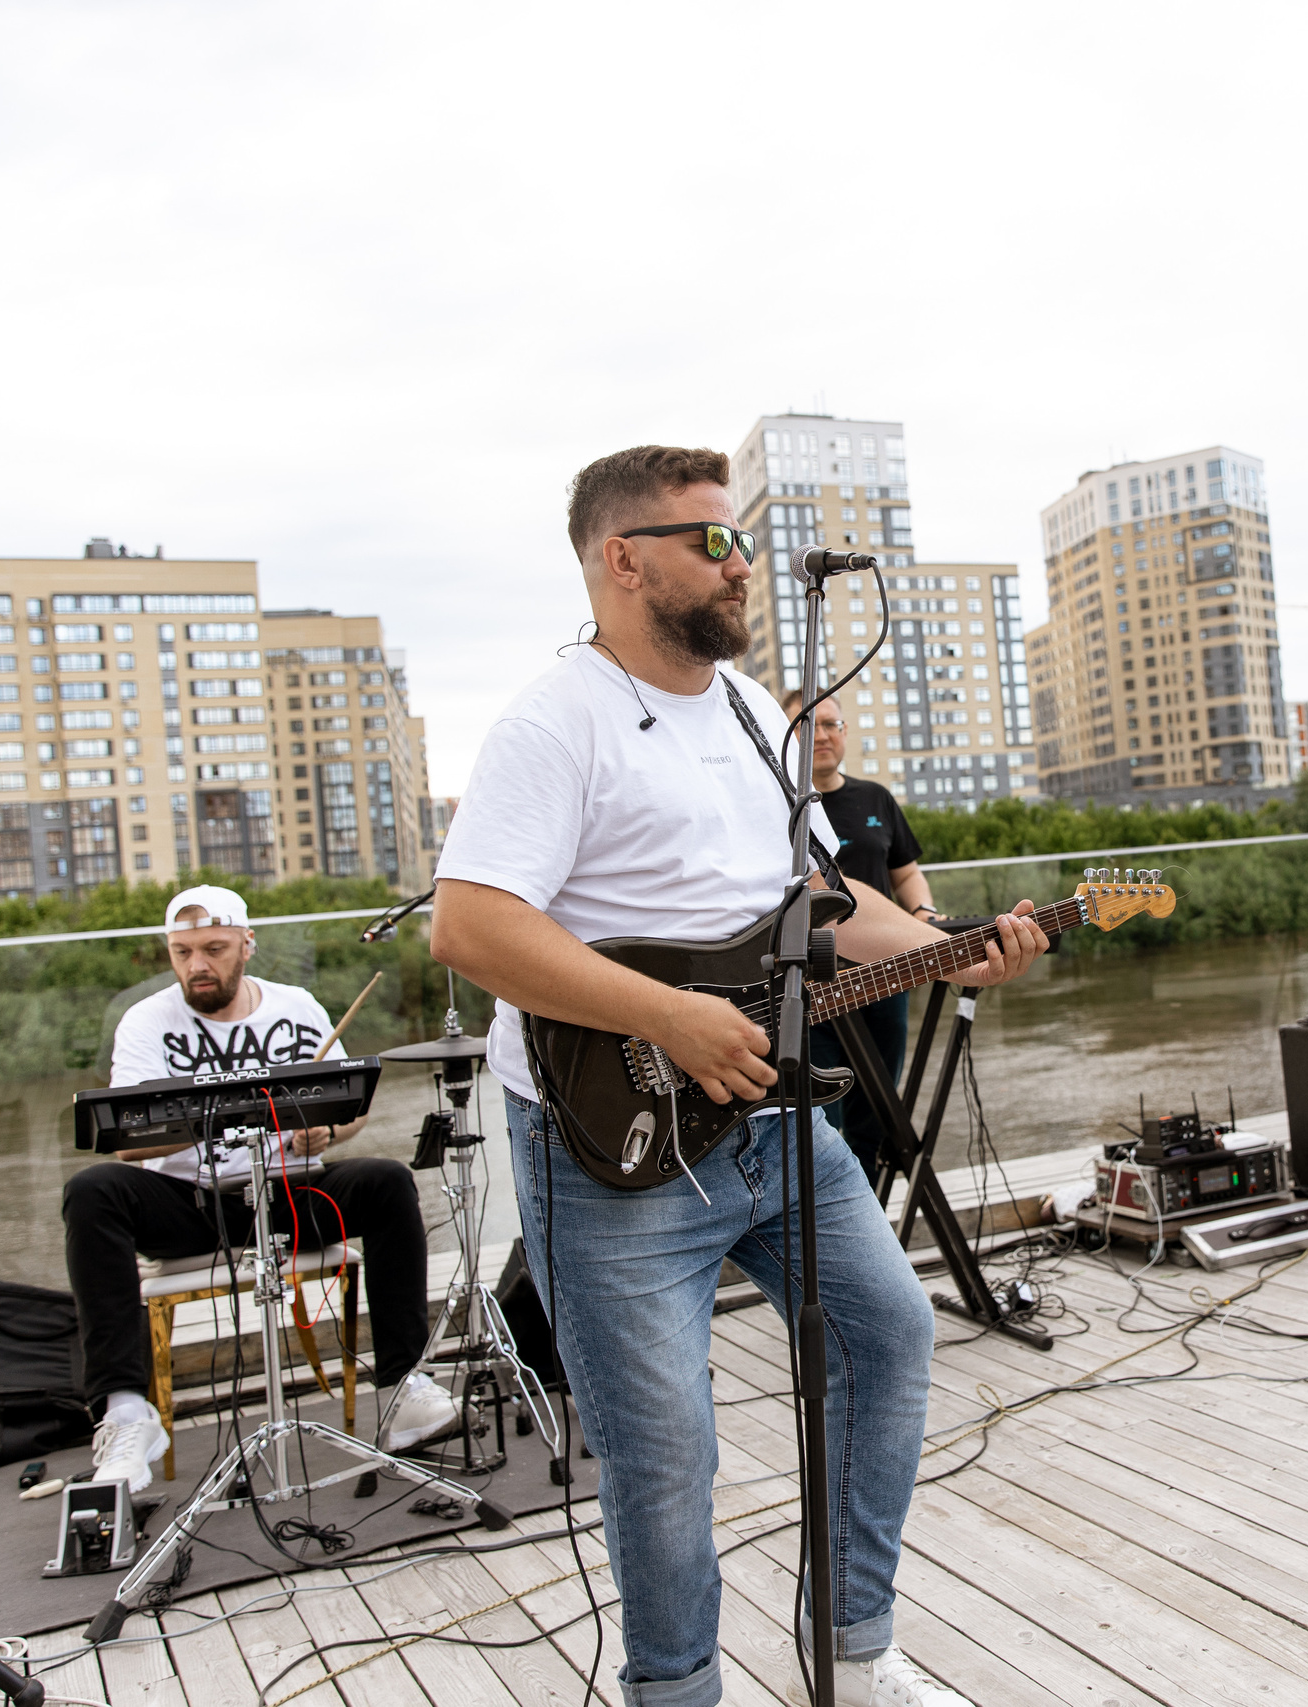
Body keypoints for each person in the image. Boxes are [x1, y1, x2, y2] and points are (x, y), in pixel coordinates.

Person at [429, 444, 1049, 1707]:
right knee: (665, 1453)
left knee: (889, 1339)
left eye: (744, 539)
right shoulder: (555, 721)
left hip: (771, 1114)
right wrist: (673, 1018)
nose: (743, 564)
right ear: (623, 559)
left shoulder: (756, 708)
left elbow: (818, 897)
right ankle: (677, 1693)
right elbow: (471, 927)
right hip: (607, 1145)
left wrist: (946, 946)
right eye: (712, 541)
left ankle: (855, 1654)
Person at [65, 885, 457, 1494]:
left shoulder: (296, 1006)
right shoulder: (146, 1021)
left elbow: (348, 1111)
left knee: (386, 1181)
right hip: (192, 1205)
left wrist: (325, 1130)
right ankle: (126, 1412)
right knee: (93, 1191)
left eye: (214, 949)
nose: (197, 965)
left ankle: (404, 1385)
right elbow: (128, 1146)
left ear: (247, 945)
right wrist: (223, 1112)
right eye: (182, 952)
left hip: (289, 1194)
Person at [783, 686, 939, 1180]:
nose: (821, 735)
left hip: (885, 974)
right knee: (820, 1120)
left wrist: (924, 913)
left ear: (845, 732)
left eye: (831, 724)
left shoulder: (876, 798)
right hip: (810, 985)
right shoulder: (780, 803)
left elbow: (906, 873)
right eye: (807, 726)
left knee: (878, 1110)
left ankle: (869, 1208)